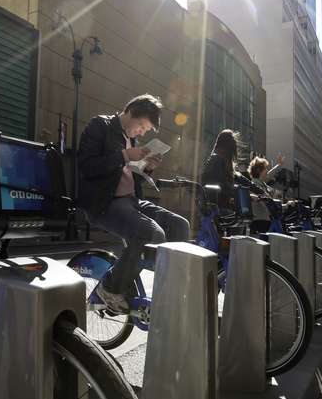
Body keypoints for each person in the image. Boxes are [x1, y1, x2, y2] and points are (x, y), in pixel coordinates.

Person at [77, 94, 190, 313]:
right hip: (105, 203)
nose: (141, 132)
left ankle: (170, 289)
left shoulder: (131, 140)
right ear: (129, 112)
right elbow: (87, 166)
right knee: (151, 234)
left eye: (145, 130)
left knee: (180, 225)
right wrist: (125, 155)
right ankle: (110, 287)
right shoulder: (99, 125)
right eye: (141, 126)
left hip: (131, 201)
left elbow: (131, 176)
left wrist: (147, 166)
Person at [201, 129, 239, 210]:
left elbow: (241, 179)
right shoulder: (218, 160)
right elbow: (221, 183)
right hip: (217, 207)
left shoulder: (219, 160)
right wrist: (237, 193)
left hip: (219, 205)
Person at [248, 156, 282, 233]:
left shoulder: (262, 183)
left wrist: (279, 165)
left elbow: (269, 174)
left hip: (266, 220)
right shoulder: (255, 184)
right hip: (260, 221)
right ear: (258, 170)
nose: (267, 171)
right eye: (265, 169)